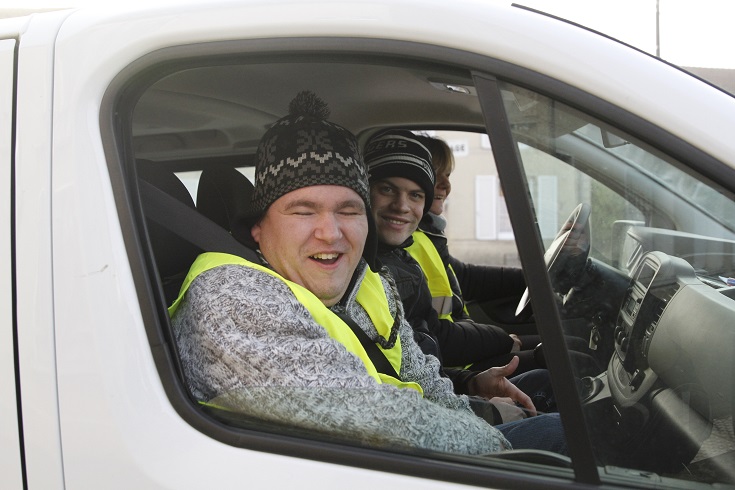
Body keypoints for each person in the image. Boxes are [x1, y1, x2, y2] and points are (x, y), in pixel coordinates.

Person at [168, 91, 567, 456]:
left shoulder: (368, 282)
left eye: (349, 210)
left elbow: (422, 382)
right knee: (560, 438)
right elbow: (381, 421)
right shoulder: (232, 299)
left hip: (411, 452)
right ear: (259, 227)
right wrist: (513, 452)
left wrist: (473, 406)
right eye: (303, 211)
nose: (331, 232)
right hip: (395, 460)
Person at [364, 129, 558, 416]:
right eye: (388, 189)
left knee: (550, 373)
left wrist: (472, 384)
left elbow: (418, 364)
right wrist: (484, 408)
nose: (402, 206)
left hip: (447, 382)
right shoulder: (368, 273)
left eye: (416, 194)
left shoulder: (404, 258)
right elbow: (400, 390)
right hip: (436, 404)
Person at [409, 134, 602, 378]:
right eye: (436, 174)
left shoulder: (426, 237)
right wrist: (504, 341)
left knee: (573, 347)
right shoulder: (408, 248)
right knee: (576, 362)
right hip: (454, 371)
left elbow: (467, 278)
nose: (446, 185)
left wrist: (539, 275)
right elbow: (438, 336)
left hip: (461, 361)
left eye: (448, 174)